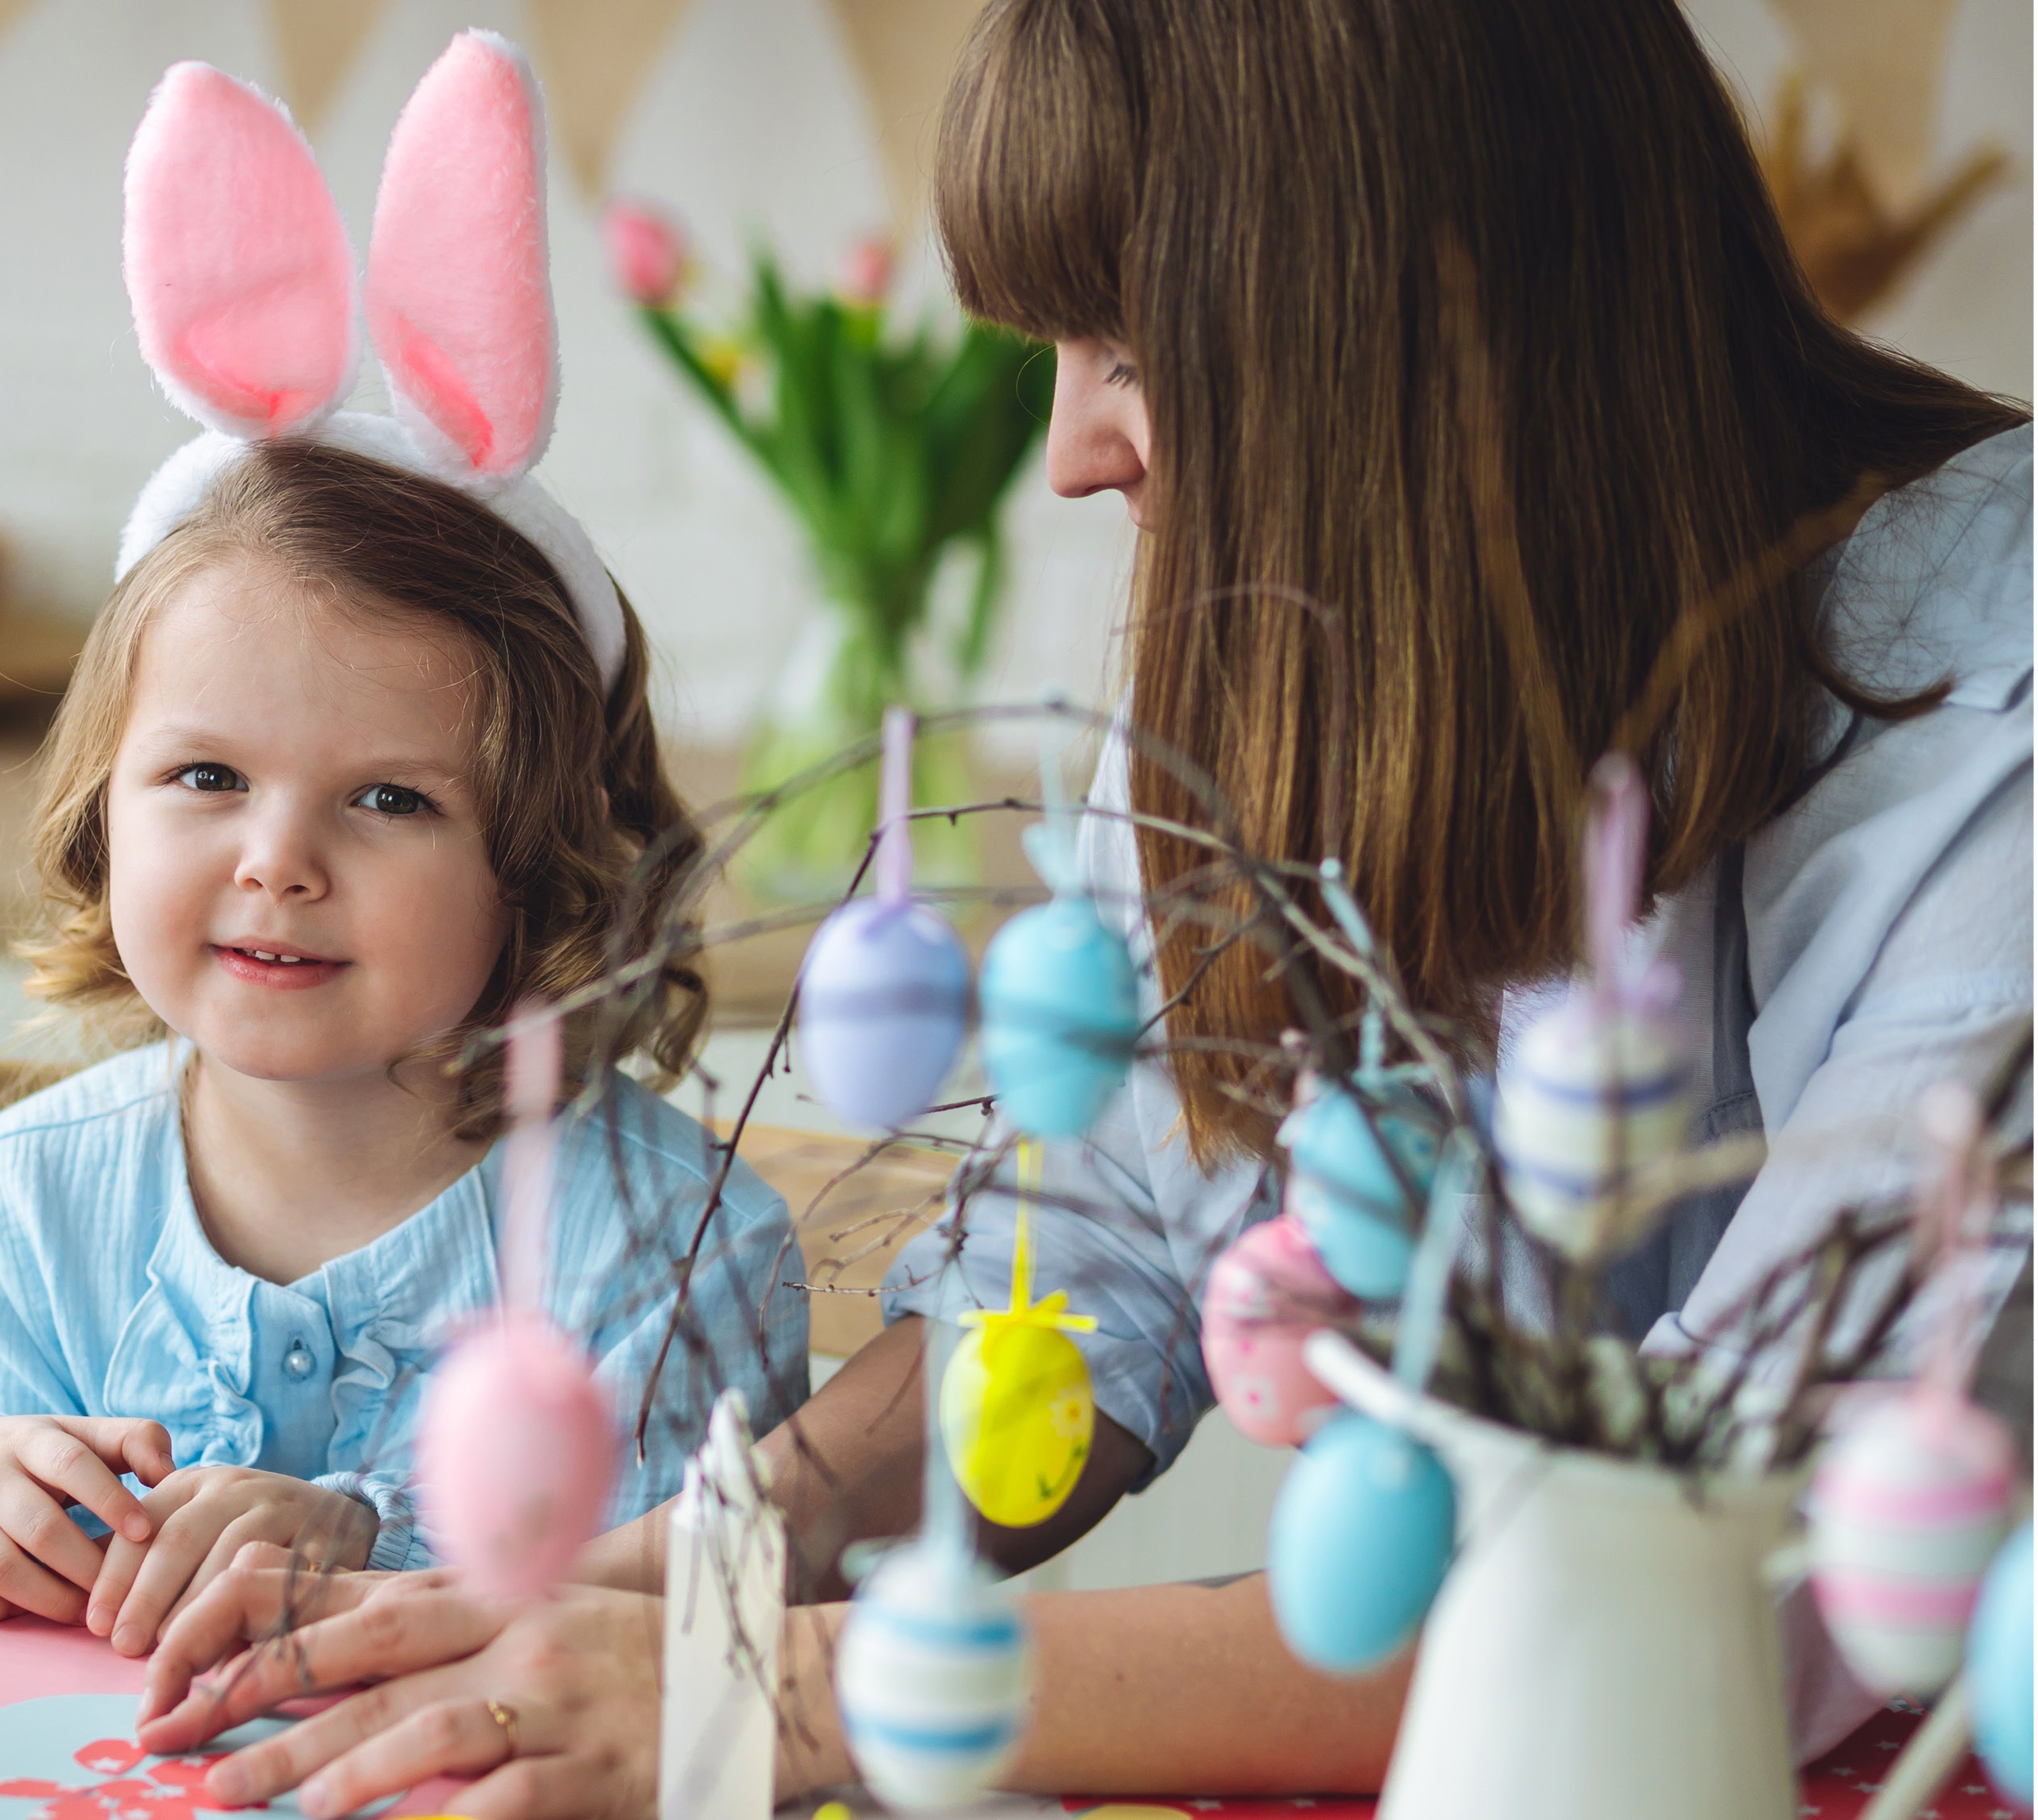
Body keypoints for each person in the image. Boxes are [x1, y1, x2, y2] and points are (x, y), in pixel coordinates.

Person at [129, 0, 2033, 1808]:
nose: (1068, 452)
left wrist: (781, 1693)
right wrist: (700, 1562)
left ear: (1382, 327)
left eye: (1124, 351)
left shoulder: (1995, 701)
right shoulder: (1307, 630)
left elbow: (1713, 1569)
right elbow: (1113, 1234)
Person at [0, 39, 810, 1661]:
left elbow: (701, 1647)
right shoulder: (9, 1210)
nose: (278, 860)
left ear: (537, 864)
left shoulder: (669, 1258)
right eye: (203, 775)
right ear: (99, 809)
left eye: (390, 800)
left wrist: (366, 1547)